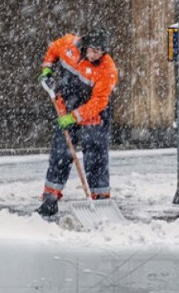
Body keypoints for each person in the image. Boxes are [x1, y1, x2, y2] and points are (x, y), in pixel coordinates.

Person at [36, 29, 119, 217]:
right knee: (60, 153)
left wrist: (75, 117)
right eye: (93, 50)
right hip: (66, 106)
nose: (96, 55)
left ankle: (100, 199)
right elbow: (54, 49)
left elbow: (99, 102)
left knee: (96, 158)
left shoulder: (108, 70)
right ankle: (50, 197)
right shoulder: (69, 46)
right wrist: (47, 68)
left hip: (94, 116)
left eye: (101, 52)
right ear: (85, 46)